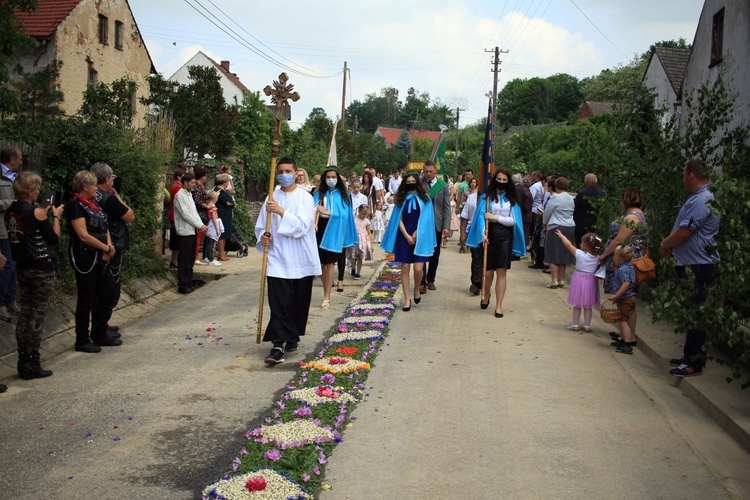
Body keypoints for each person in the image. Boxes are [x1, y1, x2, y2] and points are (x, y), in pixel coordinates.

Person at [255, 156, 321, 364]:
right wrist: (263, 237)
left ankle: (292, 336)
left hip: (299, 257)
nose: (283, 175)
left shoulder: (305, 197)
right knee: (279, 302)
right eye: (280, 171)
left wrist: (281, 212)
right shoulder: (271, 197)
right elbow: (261, 225)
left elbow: (302, 226)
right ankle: (277, 344)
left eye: (287, 171)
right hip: (277, 257)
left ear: (295, 173)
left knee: (297, 302)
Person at [659, 159, 720, 378]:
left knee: (695, 313)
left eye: (684, 174)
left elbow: (686, 230)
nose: (683, 179)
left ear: (691, 175)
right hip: (691, 262)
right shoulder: (699, 198)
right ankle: (689, 357)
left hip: (698, 264)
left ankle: (694, 361)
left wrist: (666, 243)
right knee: (691, 312)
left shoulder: (703, 199)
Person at [4, 172, 61, 379]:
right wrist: (55, 216)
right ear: (30, 191)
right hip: (41, 266)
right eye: (37, 189)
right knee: (37, 315)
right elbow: (53, 238)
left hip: (23, 266)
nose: (39, 192)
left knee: (25, 313)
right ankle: (33, 360)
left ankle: (22, 361)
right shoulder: (36, 212)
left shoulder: (10, 212)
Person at [65, 171, 119, 352]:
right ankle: (82, 338)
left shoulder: (94, 202)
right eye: (94, 185)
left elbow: (105, 226)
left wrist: (109, 246)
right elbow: (83, 235)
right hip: (85, 256)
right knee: (86, 296)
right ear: (85, 187)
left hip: (102, 254)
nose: (96, 188)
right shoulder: (75, 205)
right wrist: (105, 248)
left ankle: (99, 331)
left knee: (107, 292)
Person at [466, 169, 526, 317]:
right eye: (499, 179)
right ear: (494, 180)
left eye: (505, 180)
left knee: (501, 271)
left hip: (505, 237)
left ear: (509, 182)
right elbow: (481, 217)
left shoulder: (512, 200)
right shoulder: (487, 198)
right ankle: (486, 295)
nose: (502, 182)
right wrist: (483, 233)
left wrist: (495, 218)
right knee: (487, 272)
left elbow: (514, 221)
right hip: (489, 235)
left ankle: (499, 306)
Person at [381, 172, 436, 311]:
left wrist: (417, 233)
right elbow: (397, 218)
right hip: (404, 234)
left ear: (418, 183)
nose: (411, 183)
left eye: (413, 181)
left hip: (420, 235)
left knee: (418, 268)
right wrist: (406, 235)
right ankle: (406, 298)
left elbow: (427, 219)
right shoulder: (401, 198)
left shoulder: (426, 199)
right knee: (405, 267)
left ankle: (417, 288)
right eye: (408, 181)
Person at [599, 187, 648, 343]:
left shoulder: (632, 217)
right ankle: (625, 333)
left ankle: (629, 336)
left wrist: (605, 254)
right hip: (625, 260)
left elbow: (620, 240)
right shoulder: (637, 215)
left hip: (626, 261)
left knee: (626, 297)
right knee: (624, 298)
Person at [91, 162, 134, 339]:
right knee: (109, 290)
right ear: (108, 180)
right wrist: (117, 197)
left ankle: (102, 325)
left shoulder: (93, 196)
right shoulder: (109, 198)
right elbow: (129, 216)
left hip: (101, 243)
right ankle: (100, 327)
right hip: (111, 244)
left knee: (103, 290)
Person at [312, 167, 357, 309]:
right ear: (324, 179)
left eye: (333, 177)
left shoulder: (343, 195)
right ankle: (326, 288)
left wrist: (328, 212)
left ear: (337, 179)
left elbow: (344, 215)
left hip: (334, 231)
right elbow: (309, 209)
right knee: (320, 265)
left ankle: (327, 295)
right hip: (318, 230)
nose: (331, 179)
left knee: (330, 263)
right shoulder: (318, 193)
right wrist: (315, 213)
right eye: (328, 177)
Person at [555, 230, 601, 332]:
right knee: (588, 305)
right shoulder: (598, 258)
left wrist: (562, 236)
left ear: (584, 245)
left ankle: (575, 324)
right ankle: (587, 325)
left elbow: (568, 245)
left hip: (579, 279)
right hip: (591, 281)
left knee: (577, 304)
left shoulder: (579, 254)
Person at [419, 161, 451, 293]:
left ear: (435, 170)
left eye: (430, 171)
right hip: (422, 223)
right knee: (421, 253)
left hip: (437, 223)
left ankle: (431, 279)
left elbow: (447, 207)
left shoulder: (443, 186)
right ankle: (422, 281)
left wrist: (446, 226)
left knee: (435, 253)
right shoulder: (420, 184)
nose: (428, 174)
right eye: (426, 171)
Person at [173, 172, 208, 294]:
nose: (194, 185)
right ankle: (183, 284)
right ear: (185, 183)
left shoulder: (189, 195)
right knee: (184, 258)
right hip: (184, 231)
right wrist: (199, 225)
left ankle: (188, 281)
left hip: (192, 229)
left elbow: (194, 213)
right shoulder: (180, 196)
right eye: (192, 183)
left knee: (190, 258)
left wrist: (201, 225)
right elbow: (185, 214)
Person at [0, 146, 22, 322]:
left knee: (14, 263)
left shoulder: (16, 177)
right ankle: (1, 303)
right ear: (12, 159)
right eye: (19, 158)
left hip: (15, 227)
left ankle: (10, 300)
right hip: (2, 229)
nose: (21, 161)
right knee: (7, 263)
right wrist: (11, 202)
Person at [543, 177, 576, 288]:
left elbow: (547, 212)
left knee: (553, 254)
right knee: (563, 255)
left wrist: (545, 222)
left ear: (556, 186)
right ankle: (561, 279)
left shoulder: (555, 197)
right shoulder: (571, 198)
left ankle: (554, 280)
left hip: (556, 226)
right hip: (569, 226)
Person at [607, 245, 637, 355]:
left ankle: (627, 344)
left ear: (619, 258)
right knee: (622, 320)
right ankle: (623, 340)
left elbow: (626, 284)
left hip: (626, 299)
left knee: (624, 322)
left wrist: (616, 296)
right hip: (629, 298)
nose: (613, 258)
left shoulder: (621, 270)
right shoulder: (630, 266)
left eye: (614, 255)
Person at [460, 186, 482, 295]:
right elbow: (465, 216)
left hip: (491, 233)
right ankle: (476, 283)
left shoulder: (495, 198)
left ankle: (485, 282)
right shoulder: (472, 198)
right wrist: (462, 233)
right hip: (474, 232)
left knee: (488, 261)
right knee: (477, 258)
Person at [574, 173, 605, 246]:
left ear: (586, 182)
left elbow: (575, 207)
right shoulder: (601, 194)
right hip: (595, 222)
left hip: (581, 224)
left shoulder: (582, 193)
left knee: (581, 244)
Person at [528, 171, 547, 269]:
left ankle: (535, 258)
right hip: (537, 210)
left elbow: (530, 199)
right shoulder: (539, 186)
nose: (530, 177)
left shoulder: (535, 187)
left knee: (534, 235)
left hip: (535, 211)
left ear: (535, 176)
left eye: (532, 175)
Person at [214, 173, 235, 262]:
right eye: (227, 182)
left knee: (225, 234)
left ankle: (222, 253)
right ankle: (221, 253)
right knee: (222, 235)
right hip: (222, 214)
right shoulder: (219, 191)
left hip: (226, 214)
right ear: (224, 182)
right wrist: (233, 204)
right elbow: (227, 202)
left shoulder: (223, 190)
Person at [347, 205, 373, 279]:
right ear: (359, 211)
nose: (364, 216)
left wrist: (370, 244)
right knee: (353, 256)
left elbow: (369, 232)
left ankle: (358, 272)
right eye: (362, 214)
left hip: (363, 241)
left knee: (360, 257)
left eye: (366, 215)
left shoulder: (367, 221)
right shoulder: (354, 219)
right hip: (355, 240)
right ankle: (353, 268)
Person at [168, 167, 186, 270]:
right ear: (179, 177)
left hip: (175, 215)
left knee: (177, 240)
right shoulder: (177, 187)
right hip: (175, 216)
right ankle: (174, 261)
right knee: (176, 240)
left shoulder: (178, 187)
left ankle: (175, 261)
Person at [192, 166, 210, 261]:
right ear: (202, 176)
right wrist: (206, 206)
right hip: (200, 212)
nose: (206, 177)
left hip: (202, 212)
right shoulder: (197, 186)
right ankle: (195, 257)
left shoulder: (200, 186)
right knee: (198, 235)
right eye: (205, 175)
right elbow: (197, 201)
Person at [202, 190, 223, 266]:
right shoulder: (213, 207)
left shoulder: (208, 205)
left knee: (209, 243)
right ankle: (211, 259)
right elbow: (214, 219)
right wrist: (217, 229)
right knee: (212, 243)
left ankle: (208, 257)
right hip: (213, 225)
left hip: (210, 223)